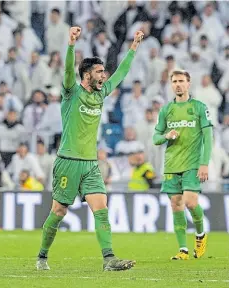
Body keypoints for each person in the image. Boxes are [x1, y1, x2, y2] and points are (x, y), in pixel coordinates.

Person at [36, 27, 144, 271]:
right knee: (59, 211)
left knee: (101, 209)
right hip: (68, 161)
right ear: (86, 75)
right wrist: (71, 44)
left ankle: (109, 259)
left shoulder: (102, 93)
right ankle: (42, 256)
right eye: (98, 71)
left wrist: (134, 46)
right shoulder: (71, 92)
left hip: (90, 164)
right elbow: (66, 71)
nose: (104, 75)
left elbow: (122, 72)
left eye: (103, 71)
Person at [153, 70, 212, 260]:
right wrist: (165, 136)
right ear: (171, 85)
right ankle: (183, 250)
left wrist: (204, 164)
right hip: (171, 165)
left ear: (188, 83)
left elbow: (208, 138)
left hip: (192, 164)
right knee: (176, 205)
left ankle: (201, 234)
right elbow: (155, 138)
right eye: (174, 81)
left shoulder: (199, 107)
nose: (178, 84)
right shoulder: (166, 110)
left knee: (190, 202)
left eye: (181, 81)